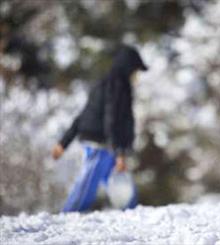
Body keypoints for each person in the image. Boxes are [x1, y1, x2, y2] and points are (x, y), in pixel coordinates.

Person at [52, 45, 148, 212]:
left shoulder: (107, 83)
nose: (137, 76)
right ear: (128, 68)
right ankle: (67, 216)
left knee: (122, 184)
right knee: (87, 186)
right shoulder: (117, 86)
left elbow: (83, 115)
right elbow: (112, 119)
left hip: (107, 143)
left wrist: (63, 143)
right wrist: (119, 152)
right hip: (100, 143)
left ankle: (133, 213)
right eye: (136, 71)